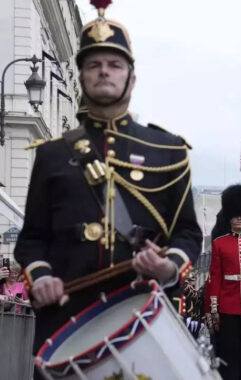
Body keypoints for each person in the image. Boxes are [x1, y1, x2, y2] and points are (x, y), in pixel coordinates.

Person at [13, 1, 201, 369]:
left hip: (141, 319)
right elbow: (32, 238)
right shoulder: (53, 154)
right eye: (93, 65)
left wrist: (168, 268)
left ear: (131, 78)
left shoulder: (168, 151)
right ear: (81, 76)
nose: (104, 72)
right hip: (66, 326)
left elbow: (188, 233)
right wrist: (41, 275)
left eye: (115, 65)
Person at [205, 184, 241, 380]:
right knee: (229, 353)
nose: (239, 218)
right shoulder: (219, 243)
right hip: (227, 304)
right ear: (229, 215)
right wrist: (213, 307)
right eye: (235, 214)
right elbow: (215, 277)